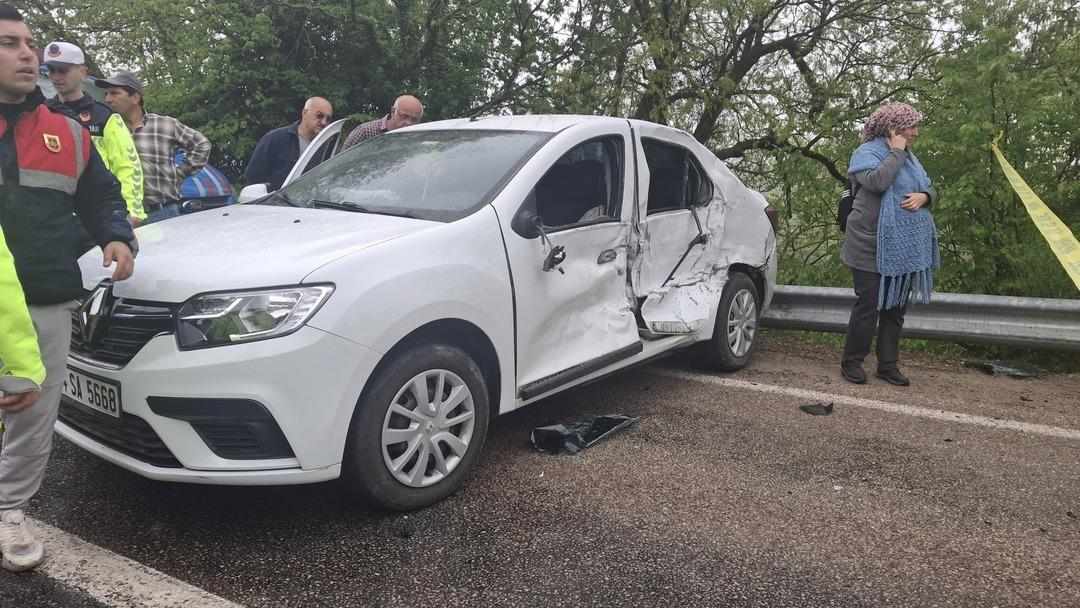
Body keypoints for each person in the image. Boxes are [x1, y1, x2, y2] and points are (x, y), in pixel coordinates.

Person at [0, 2, 135, 572]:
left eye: (30, 43)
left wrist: (118, 235)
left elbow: (102, 194)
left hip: (42, 299)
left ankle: (8, 510)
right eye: (10, 43)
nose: (29, 54)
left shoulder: (67, 132)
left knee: (30, 412)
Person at [840, 101, 939, 387]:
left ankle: (887, 365)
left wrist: (926, 197)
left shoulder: (912, 158)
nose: (916, 133)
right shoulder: (865, 153)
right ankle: (852, 362)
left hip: (903, 247)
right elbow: (877, 182)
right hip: (869, 243)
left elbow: (929, 185)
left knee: (895, 309)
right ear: (894, 128)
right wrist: (896, 152)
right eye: (912, 126)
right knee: (868, 305)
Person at [43, 41, 145, 226]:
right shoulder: (42, 113)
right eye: (51, 70)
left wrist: (132, 211)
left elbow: (128, 165)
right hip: (56, 215)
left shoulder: (105, 116)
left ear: (82, 72)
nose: (56, 76)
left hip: (99, 213)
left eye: (63, 70)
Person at [97, 70, 210, 224]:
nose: (108, 99)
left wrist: (181, 173)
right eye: (106, 94)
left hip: (163, 212)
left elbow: (201, 144)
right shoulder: (106, 130)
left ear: (135, 97)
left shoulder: (164, 124)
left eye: (114, 93)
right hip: (123, 217)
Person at [245, 96, 333, 191]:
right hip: (272, 204)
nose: (324, 122)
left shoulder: (325, 148)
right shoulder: (275, 139)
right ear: (304, 113)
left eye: (328, 119)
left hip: (306, 204)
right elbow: (253, 176)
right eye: (319, 116)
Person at [341, 94, 423, 150]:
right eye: (404, 116)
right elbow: (340, 164)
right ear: (393, 111)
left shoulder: (416, 139)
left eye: (414, 119)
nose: (409, 123)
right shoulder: (365, 132)